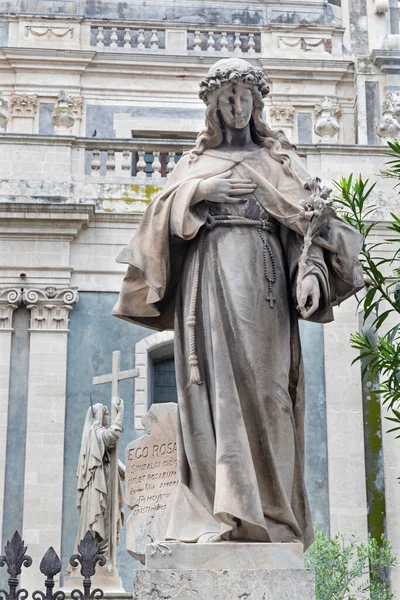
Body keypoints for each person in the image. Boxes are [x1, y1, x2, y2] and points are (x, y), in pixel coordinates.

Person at [113, 58, 363, 549]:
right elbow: (154, 224)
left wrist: (310, 273)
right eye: (226, 97)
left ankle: (273, 518)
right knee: (215, 398)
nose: (236, 105)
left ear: (257, 104)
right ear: (212, 107)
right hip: (208, 288)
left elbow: (309, 229)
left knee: (271, 397)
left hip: (266, 291)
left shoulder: (279, 163)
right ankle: (220, 512)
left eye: (244, 96)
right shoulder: (193, 167)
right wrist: (200, 192)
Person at [68, 399, 125, 566]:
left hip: (102, 485)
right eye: (106, 414)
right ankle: (98, 560)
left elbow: (110, 458)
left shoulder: (94, 436)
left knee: (105, 522)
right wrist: (120, 414)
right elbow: (111, 437)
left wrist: (126, 472)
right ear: (99, 415)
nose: (108, 416)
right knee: (101, 520)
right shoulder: (94, 432)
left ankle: (102, 559)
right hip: (97, 488)